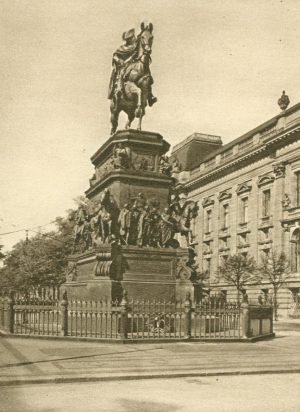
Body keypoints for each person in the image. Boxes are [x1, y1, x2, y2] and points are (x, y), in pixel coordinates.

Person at [108, 29, 138, 101]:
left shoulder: (136, 46)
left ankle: (149, 94)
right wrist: (119, 60)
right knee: (121, 73)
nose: (134, 38)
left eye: (134, 36)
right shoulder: (122, 48)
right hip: (124, 66)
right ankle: (119, 89)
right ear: (129, 40)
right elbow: (115, 55)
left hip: (134, 64)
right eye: (132, 37)